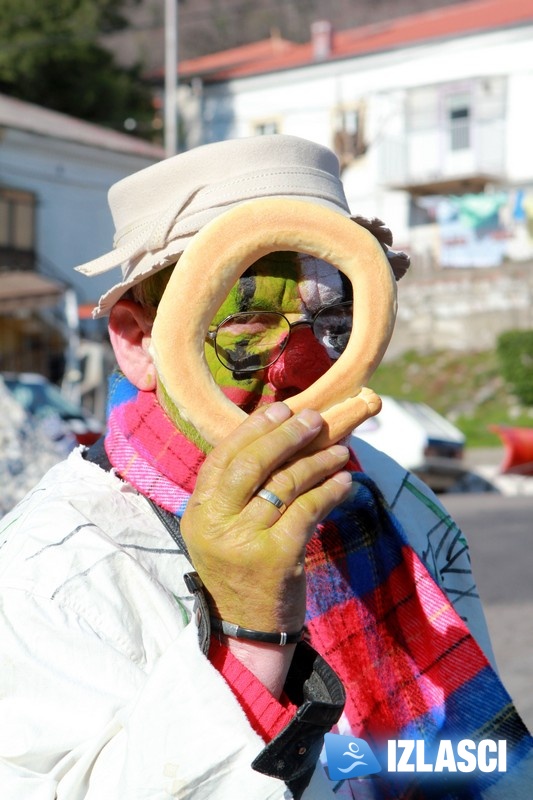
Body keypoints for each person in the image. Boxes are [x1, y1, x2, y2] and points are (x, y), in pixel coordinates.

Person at [0, 134, 531, 799]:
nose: (304, 371)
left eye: (334, 321)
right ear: (139, 344)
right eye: (248, 327)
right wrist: (247, 634)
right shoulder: (51, 573)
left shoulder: (389, 496)